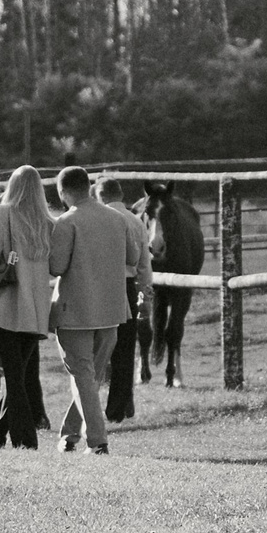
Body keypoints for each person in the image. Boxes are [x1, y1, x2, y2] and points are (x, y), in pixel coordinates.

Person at [50, 167, 151, 454]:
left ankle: (98, 440)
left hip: (76, 311)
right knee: (89, 377)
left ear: (63, 191)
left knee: (83, 375)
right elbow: (133, 257)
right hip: (113, 309)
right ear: (89, 187)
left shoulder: (66, 222)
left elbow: (56, 266)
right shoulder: (119, 219)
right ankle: (70, 435)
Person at [0, 165, 56, 449]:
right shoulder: (47, 221)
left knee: (15, 378)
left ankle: (26, 440)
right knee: (17, 375)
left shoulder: (1, 214)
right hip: (36, 308)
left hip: (8, 305)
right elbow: (54, 266)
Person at [99, 176, 150, 422]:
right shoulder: (135, 222)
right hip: (127, 287)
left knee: (95, 346)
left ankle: (87, 404)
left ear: (100, 196)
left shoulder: (97, 218)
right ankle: (118, 407)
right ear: (120, 195)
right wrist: (145, 296)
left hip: (99, 285)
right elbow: (144, 266)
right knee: (125, 349)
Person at [146, 181, 205, 387]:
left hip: (180, 268)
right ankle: (143, 361)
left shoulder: (185, 224)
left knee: (175, 319)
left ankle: (175, 366)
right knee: (147, 315)